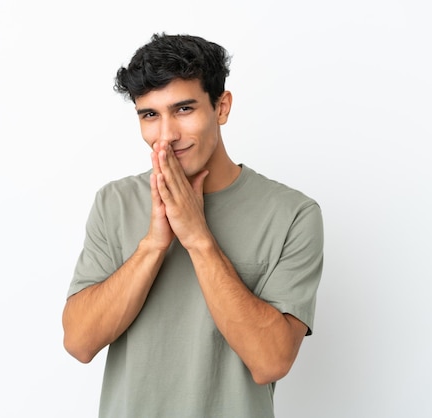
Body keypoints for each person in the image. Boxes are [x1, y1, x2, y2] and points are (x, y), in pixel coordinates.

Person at [62, 33, 324, 418]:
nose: (166, 135)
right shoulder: (114, 202)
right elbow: (80, 342)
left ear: (222, 107)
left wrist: (198, 238)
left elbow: (271, 362)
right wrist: (154, 243)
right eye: (150, 115)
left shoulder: (293, 214)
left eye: (183, 109)